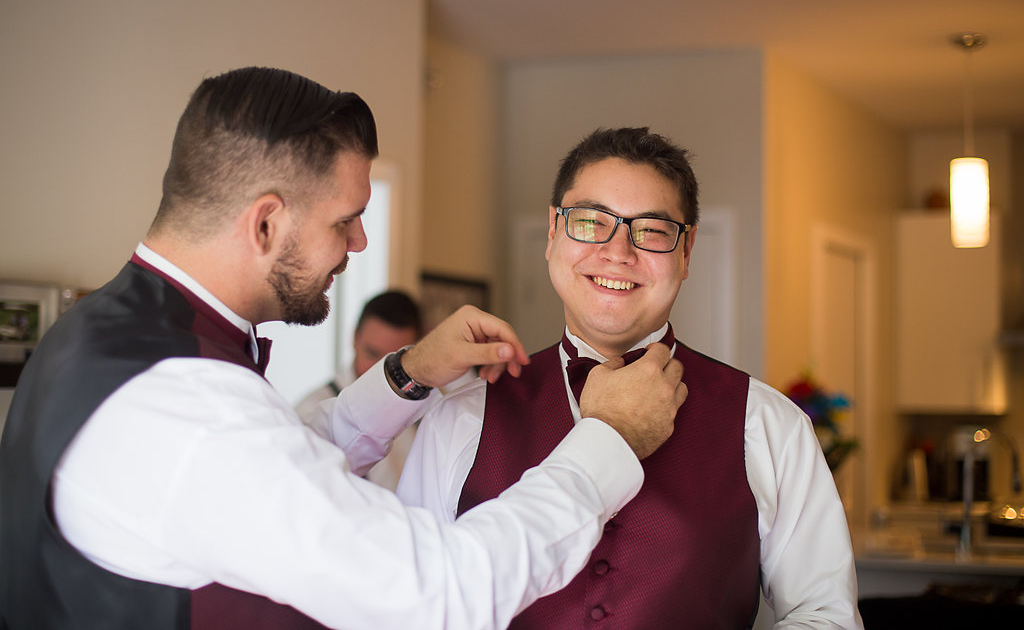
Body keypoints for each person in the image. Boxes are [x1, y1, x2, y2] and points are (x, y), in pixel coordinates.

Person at [0, 69, 688, 629]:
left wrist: (408, 372)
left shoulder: (105, 335)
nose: (360, 244)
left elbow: (281, 460)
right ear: (266, 222)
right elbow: (437, 591)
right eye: (345, 220)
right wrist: (607, 440)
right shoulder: (188, 408)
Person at [398, 127, 864, 628]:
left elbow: (825, 614)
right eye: (590, 221)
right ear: (553, 233)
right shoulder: (461, 415)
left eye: (652, 231)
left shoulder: (768, 425)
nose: (618, 252)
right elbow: (408, 604)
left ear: (686, 254)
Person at [296, 289, 423, 489]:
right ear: (355, 338)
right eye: (373, 354)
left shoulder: (426, 409)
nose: (380, 371)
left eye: (395, 362)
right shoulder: (310, 412)